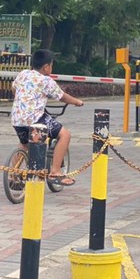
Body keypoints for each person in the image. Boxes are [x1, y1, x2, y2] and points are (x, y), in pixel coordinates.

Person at [10, 49, 84, 187]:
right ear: (46, 67)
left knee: (25, 144)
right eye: (51, 65)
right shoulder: (46, 81)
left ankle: (13, 175)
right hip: (35, 119)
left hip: (17, 119)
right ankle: (55, 171)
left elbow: (14, 89)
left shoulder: (23, 74)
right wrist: (76, 102)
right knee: (65, 135)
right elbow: (62, 96)